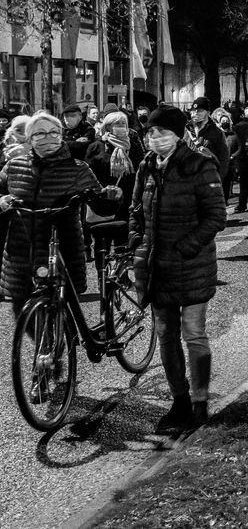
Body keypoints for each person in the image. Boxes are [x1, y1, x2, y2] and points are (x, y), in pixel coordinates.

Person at [129, 105, 227, 432]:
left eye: (162, 133)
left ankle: (200, 401)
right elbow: (135, 210)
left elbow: (216, 216)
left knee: (194, 334)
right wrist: (135, 238)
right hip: (158, 267)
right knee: (165, 336)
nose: (155, 139)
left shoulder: (200, 164)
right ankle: (179, 400)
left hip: (192, 264)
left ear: (178, 134)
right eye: (151, 133)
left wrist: (187, 246)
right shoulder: (146, 166)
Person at [0, 112, 121, 323]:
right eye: (39, 134)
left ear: (61, 135)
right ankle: (46, 348)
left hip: (62, 249)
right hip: (21, 252)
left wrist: (112, 196)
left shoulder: (77, 169)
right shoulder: (14, 166)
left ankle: (57, 347)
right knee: (23, 313)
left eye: (53, 133)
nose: (47, 138)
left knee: (60, 312)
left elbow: (100, 205)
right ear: (29, 139)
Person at [188, 96, 231, 188]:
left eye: (199, 111)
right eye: (193, 111)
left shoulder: (217, 133)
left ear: (208, 112)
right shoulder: (185, 131)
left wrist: (218, 179)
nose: (195, 113)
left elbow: (224, 159)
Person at [233, 107, 248, 212]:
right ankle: (243, 204)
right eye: (246, 109)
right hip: (243, 156)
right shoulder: (239, 126)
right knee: (243, 182)